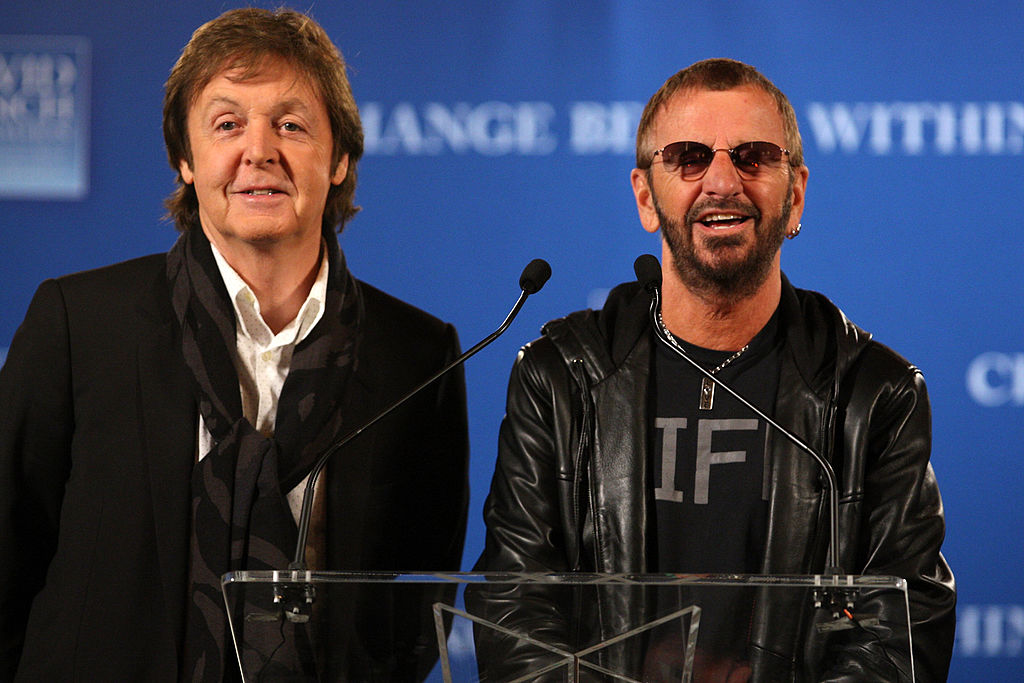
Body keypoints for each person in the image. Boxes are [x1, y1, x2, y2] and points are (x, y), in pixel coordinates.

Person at [0, 8, 468, 681]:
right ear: (185, 160)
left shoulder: (418, 355)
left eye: (291, 124)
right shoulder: (79, 323)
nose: (259, 151)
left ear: (338, 159)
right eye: (227, 124)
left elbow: (418, 605)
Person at [472, 59, 955, 681]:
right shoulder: (561, 379)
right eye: (690, 157)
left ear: (796, 194)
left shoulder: (873, 393)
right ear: (647, 196)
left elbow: (902, 630)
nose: (722, 182)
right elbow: (514, 610)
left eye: (753, 156)